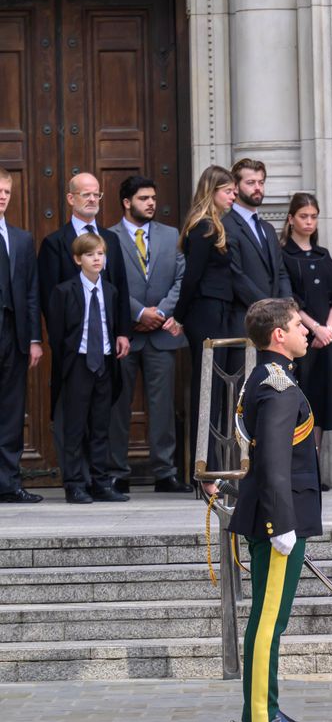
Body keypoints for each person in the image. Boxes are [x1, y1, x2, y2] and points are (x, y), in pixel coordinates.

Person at [226, 297, 322, 722]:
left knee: (267, 616)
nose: (307, 332)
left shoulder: (259, 376)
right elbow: (275, 461)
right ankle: (262, 714)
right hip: (278, 517)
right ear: (277, 335)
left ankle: (261, 710)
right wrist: (283, 522)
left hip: (271, 513)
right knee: (270, 619)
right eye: (298, 326)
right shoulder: (279, 385)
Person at [37, 172, 130, 488]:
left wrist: (123, 332)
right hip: (75, 350)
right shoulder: (55, 243)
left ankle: (101, 481)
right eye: (86, 194)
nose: (92, 199)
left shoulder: (112, 241)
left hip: (104, 348)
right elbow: (50, 300)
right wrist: (62, 344)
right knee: (75, 419)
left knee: (101, 418)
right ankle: (76, 480)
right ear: (71, 199)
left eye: (97, 195)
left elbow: (120, 289)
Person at [110, 175, 187, 495]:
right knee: (117, 406)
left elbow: (182, 277)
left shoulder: (171, 236)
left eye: (153, 197)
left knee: (162, 406)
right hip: (125, 335)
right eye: (144, 198)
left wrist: (162, 313)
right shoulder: (109, 237)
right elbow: (109, 281)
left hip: (162, 335)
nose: (152, 203)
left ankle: (165, 472)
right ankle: (115, 471)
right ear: (127, 203)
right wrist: (139, 313)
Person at [174, 166, 242, 495]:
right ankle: (202, 473)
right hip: (204, 312)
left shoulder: (215, 226)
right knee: (206, 393)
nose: (233, 196)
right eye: (228, 190)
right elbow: (192, 277)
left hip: (219, 310)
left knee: (217, 393)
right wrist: (178, 315)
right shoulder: (202, 227)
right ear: (212, 190)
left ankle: (211, 467)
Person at [280, 193, 332, 462]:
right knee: (301, 398)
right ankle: (299, 463)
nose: (309, 222)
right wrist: (315, 328)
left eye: (313, 217)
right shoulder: (284, 255)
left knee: (320, 401)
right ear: (291, 219)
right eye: (303, 216)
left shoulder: (323, 255)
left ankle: (314, 465)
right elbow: (290, 299)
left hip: (325, 340)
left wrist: (328, 330)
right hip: (301, 339)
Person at [0, 167, 44, 505]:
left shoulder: (21, 238)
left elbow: (31, 293)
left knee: (12, 412)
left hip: (13, 337)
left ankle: (9, 483)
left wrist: (33, 339)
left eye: (6, 191)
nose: (2, 196)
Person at [221, 158, 292, 314]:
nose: (258, 188)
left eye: (261, 182)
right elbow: (236, 276)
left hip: (276, 321)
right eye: (251, 183)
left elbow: (281, 273)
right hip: (245, 318)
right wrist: (269, 309)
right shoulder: (226, 226)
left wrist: (286, 306)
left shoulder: (268, 229)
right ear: (236, 187)